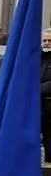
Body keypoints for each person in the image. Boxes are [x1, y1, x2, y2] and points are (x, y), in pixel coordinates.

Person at [41, 29, 51, 163]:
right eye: (44, 40)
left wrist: (34, 89)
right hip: (36, 106)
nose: (47, 43)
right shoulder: (36, 57)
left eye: (50, 41)